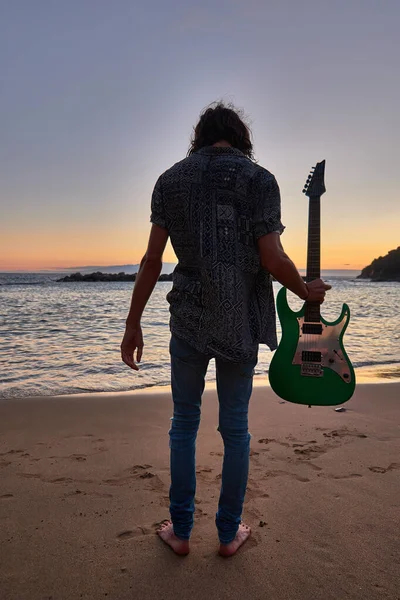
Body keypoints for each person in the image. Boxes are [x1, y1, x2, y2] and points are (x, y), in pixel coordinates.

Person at [121, 102, 331, 557]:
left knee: (183, 423)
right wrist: (305, 291)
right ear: (239, 138)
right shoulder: (260, 180)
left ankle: (180, 532)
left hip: (189, 319)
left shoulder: (169, 180)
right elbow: (274, 260)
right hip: (239, 319)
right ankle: (227, 533)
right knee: (235, 429)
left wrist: (132, 322)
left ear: (200, 137)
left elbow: (152, 261)